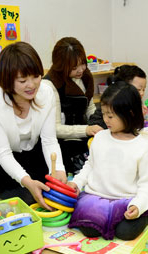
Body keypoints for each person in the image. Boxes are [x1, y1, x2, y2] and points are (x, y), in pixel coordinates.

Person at [0, 41, 67, 208]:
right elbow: (3, 153)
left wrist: (59, 169)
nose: (32, 85)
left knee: (49, 188)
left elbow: (49, 140)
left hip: (31, 149)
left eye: (36, 76)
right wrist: (27, 181)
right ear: (7, 80)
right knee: (25, 197)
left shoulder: (46, 92)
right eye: (22, 80)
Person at [67, 81, 148, 240]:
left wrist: (138, 206)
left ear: (130, 114)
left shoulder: (142, 147)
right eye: (103, 114)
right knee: (89, 230)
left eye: (110, 116)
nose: (105, 119)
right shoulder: (100, 137)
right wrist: (77, 182)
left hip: (126, 200)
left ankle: (144, 215)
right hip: (96, 198)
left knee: (125, 232)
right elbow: (90, 165)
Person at [43, 37, 103, 174]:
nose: (81, 70)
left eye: (83, 63)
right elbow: (55, 129)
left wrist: (98, 123)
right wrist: (87, 130)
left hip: (85, 136)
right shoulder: (49, 85)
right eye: (74, 67)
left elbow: (89, 107)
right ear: (61, 66)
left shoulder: (85, 77)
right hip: (64, 143)